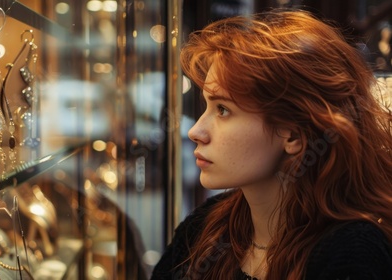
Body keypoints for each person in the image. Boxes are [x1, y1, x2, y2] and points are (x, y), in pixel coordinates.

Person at [151, 9, 392, 280]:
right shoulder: (206, 227)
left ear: (293, 136)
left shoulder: (351, 253)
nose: (196, 131)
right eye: (207, 105)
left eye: (223, 110)